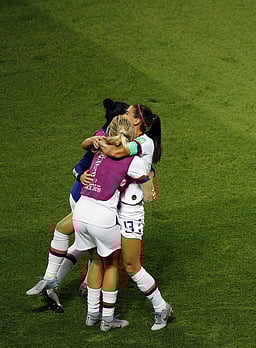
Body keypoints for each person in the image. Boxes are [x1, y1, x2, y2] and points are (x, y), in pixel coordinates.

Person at [26, 99, 130, 312]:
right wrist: (80, 175)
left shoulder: (111, 137)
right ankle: (95, 307)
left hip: (92, 200)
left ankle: (58, 282)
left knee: (84, 245)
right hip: (87, 198)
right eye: (129, 115)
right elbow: (80, 164)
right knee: (96, 251)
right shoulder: (104, 139)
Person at [99, 104, 173, 331]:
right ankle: (105, 315)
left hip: (131, 210)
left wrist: (98, 142)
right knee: (106, 257)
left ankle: (161, 308)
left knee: (131, 265)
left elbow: (117, 152)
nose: (123, 116)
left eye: (127, 113)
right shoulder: (133, 139)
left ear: (137, 121)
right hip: (114, 206)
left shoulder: (143, 143)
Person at [74, 115, 149, 331]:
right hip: (102, 217)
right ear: (131, 134)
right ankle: (107, 320)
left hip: (81, 212)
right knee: (111, 264)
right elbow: (144, 179)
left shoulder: (98, 146)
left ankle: (91, 315)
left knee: (96, 261)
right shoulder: (131, 159)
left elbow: (86, 144)